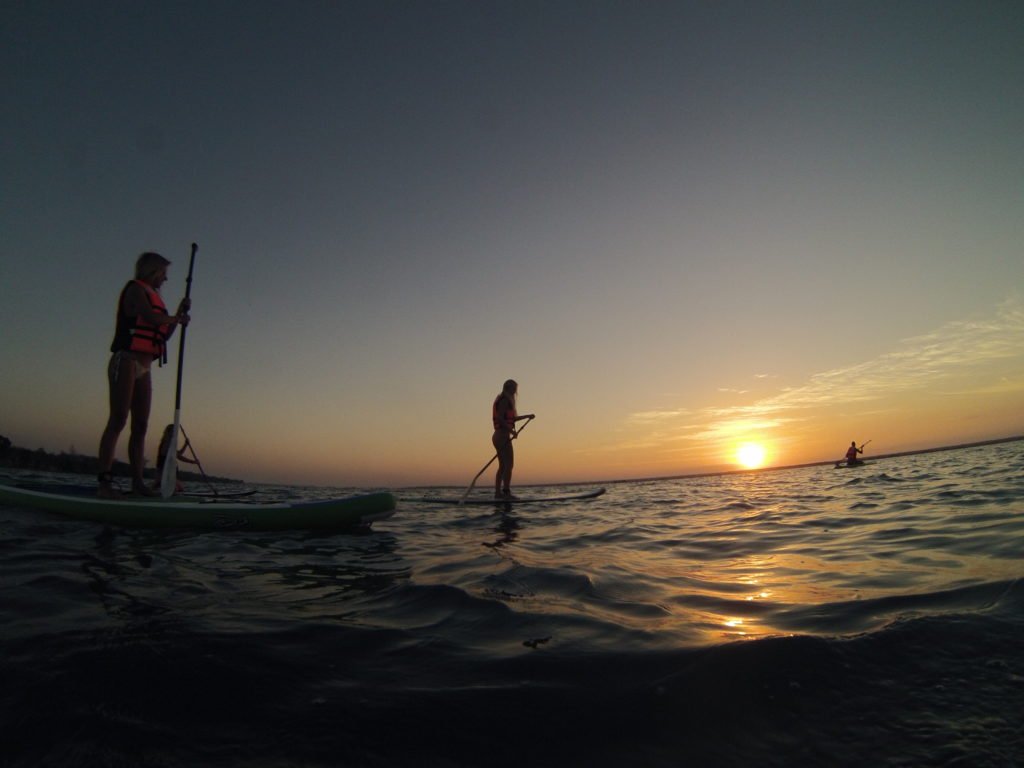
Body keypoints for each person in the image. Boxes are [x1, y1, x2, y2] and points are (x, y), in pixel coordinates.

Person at [97, 252, 190, 498]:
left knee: (141, 426)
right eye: (164, 274)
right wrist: (176, 317)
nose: (166, 279)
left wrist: (178, 316)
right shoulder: (135, 290)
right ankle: (104, 484)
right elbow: (149, 317)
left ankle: (137, 483)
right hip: (125, 360)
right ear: (153, 271)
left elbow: (164, 335)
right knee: (118, 420)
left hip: (144, 367)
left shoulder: (156, 299)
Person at [492, 379, 534, 499]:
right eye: (514, 389)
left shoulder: (505, 400)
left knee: (502, 466)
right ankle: (505, 492)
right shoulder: (505, 400)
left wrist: (527, 416)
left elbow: (512, 419)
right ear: (509, 389)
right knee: (509, 465)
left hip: (498, 436)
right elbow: (500, 418)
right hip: (502, 436)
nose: (516, 392)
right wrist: (511, 431)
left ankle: (498, 493)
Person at [153, 424, 198, 494]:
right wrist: (192, 461)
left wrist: (185, 444)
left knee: (180, 488)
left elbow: (178, 453)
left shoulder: (170, 443)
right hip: (164, 473)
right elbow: (178, 455)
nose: (175, 433)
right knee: (175, 488)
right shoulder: (166, 443)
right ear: (168, 432)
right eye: (173, 431)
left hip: (170, 473)